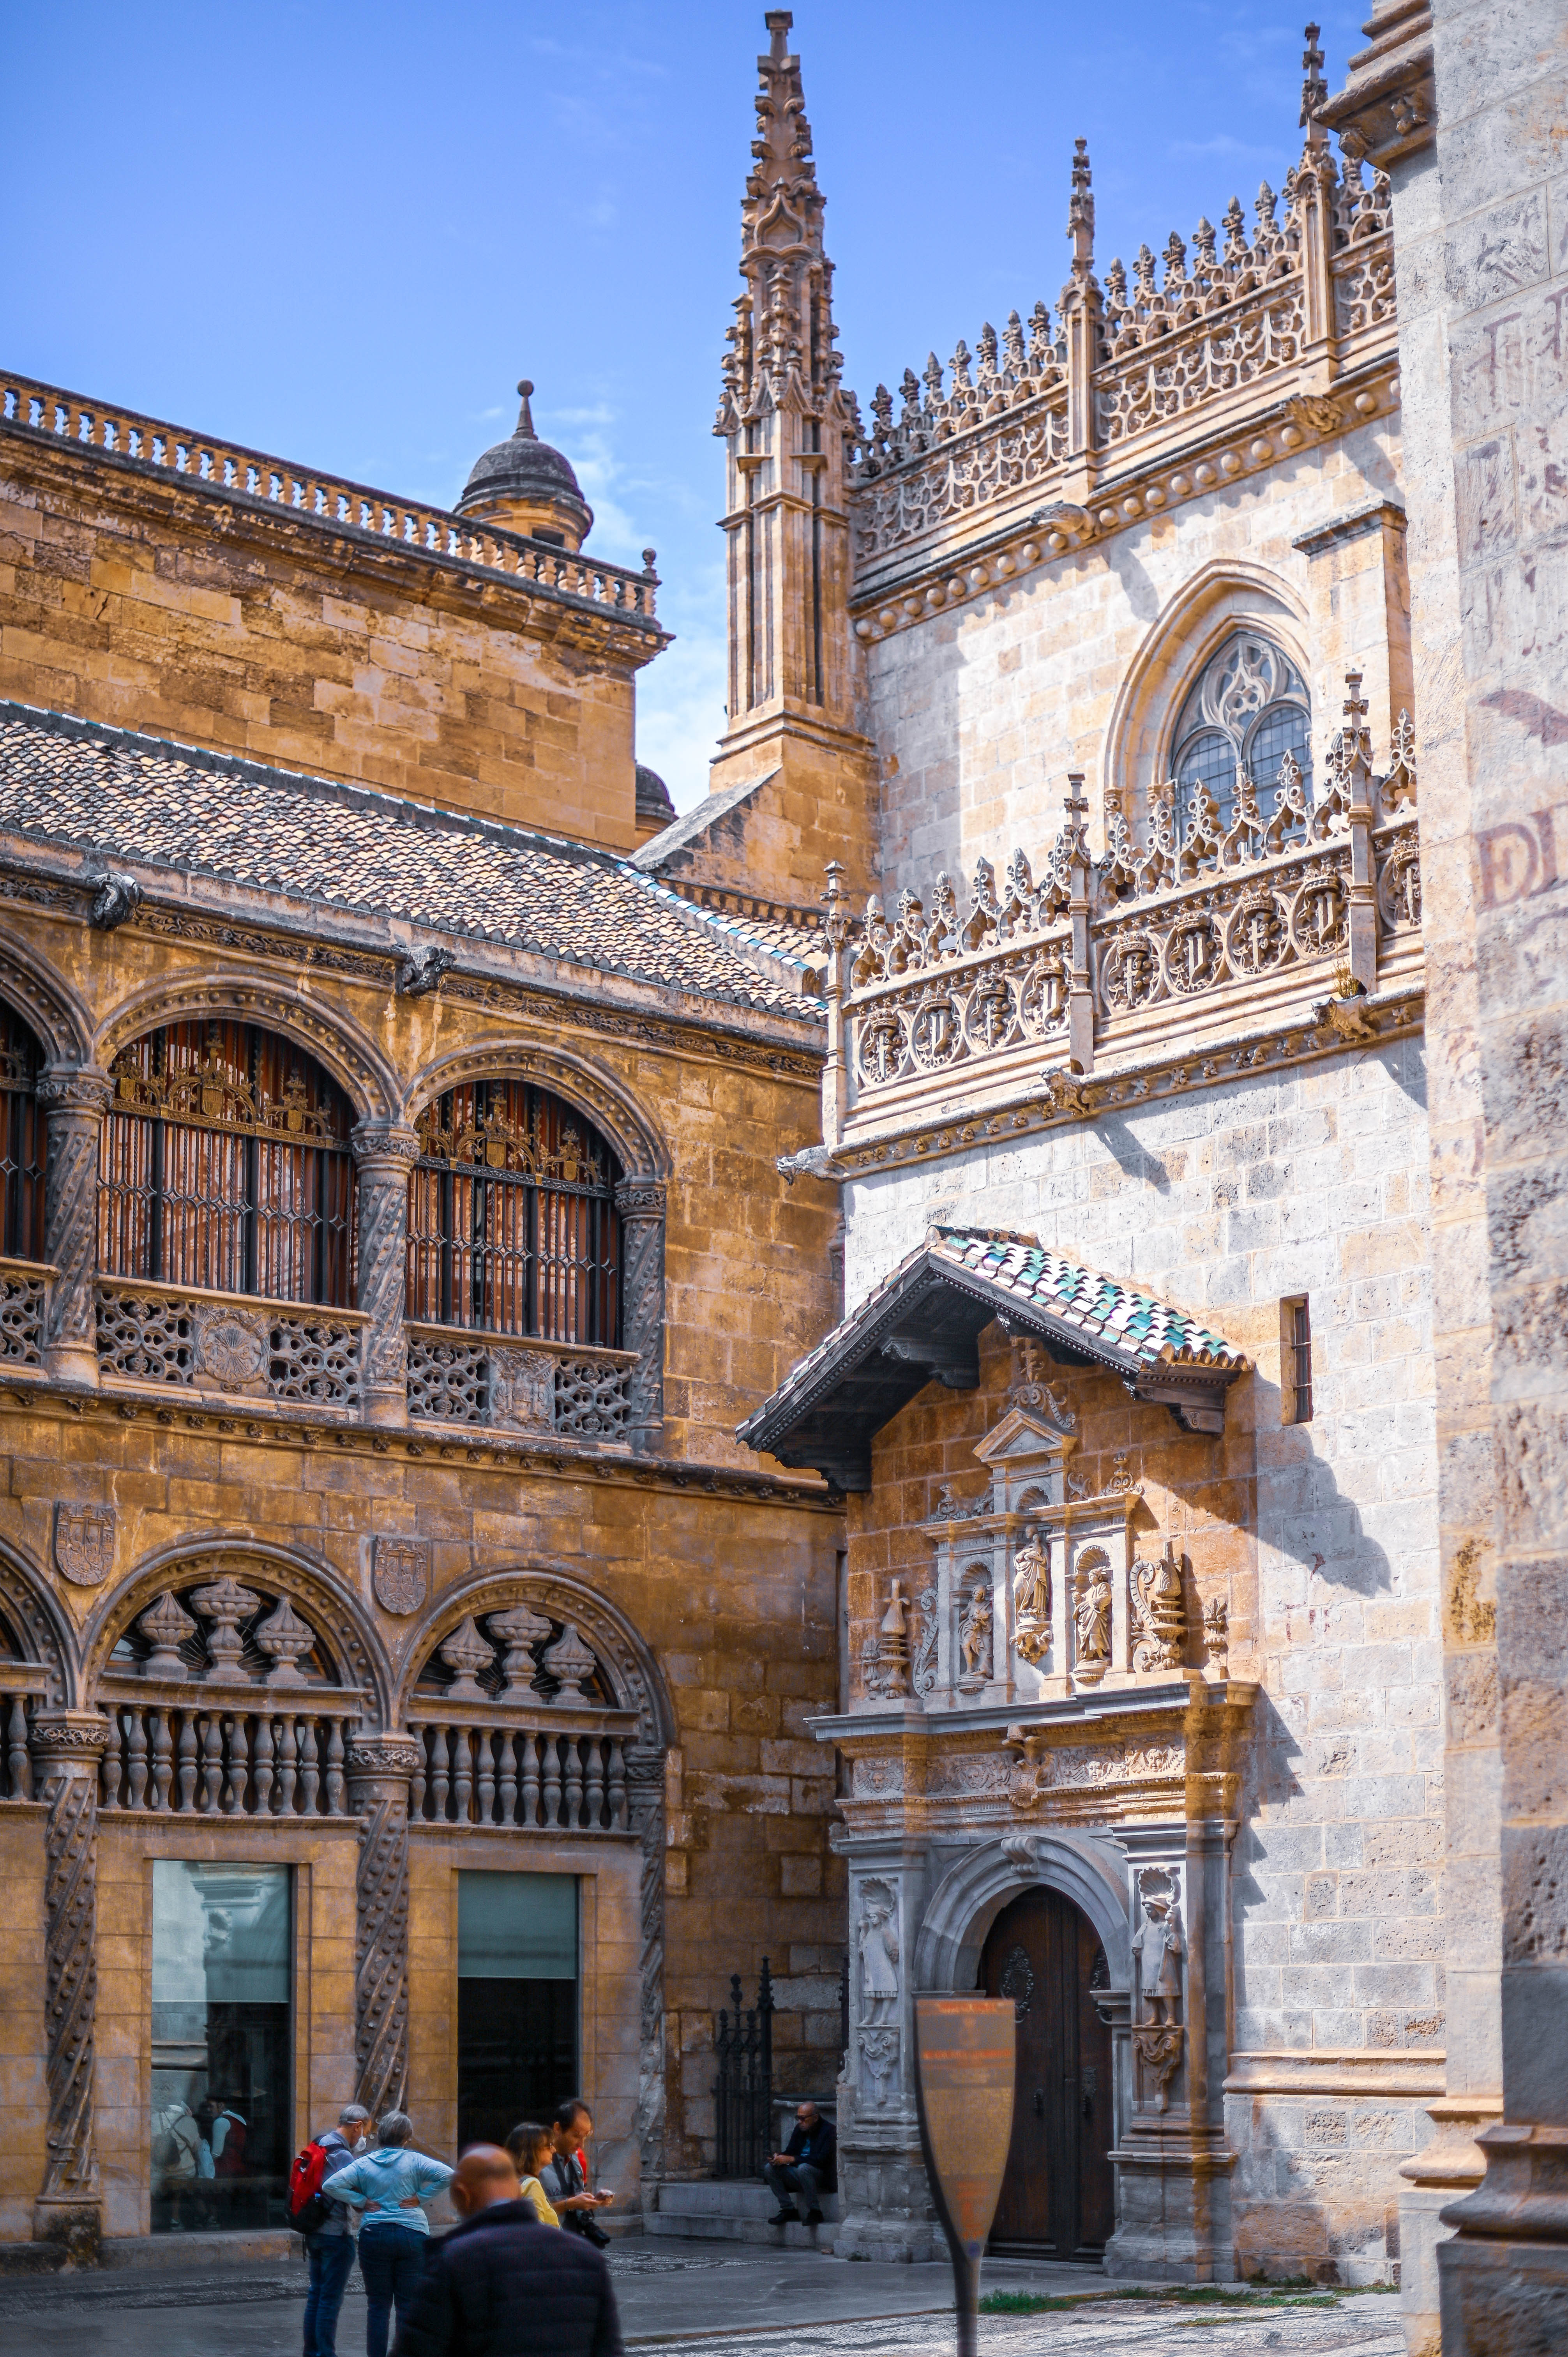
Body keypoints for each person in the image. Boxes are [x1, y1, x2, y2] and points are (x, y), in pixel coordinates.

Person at [390, 2145, 622, 2357]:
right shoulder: (587, 2257)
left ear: (462, 2195)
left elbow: (417, 2349)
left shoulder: (452, 2262)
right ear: (518, 2191)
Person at [322, 2110, 454, 2357]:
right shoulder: (415, 2161)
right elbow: (449, 2175)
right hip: (412, 2235)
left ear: (380, 2135)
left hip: (374, 2234)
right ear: (407, 2138)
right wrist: (421, 2198)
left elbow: (331, 2185)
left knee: (378, 2307)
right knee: (407, 2305)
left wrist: (360, 2201)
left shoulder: (364, 2163)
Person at [302, 2103, 372, 2357]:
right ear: (358, 2127)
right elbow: (353, 2195)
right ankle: (326, 2354)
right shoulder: (342, 2155)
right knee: (330, 2301)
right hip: (335, 2234)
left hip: (314, 2232)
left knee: (316, 2296)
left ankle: (312, 2353)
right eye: (365, 2132)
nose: (363, 2139)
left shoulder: (320, 2142)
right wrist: (365, 2202)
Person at [543, 2101, 612, 2248]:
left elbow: (576, 2194)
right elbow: (533, 2212)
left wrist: (595, 2199)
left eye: (586, 2136)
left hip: (572, 2241)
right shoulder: (538, 2160)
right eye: (576, 2135)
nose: (582, 2144)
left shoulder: (575, 2156)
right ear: (558, 2128)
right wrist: (572, 2204)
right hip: (546, 2243)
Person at [763, 2101, 836, 2228]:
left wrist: (792, 2160)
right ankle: (788, 2209)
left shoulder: (829, 2131)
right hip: (799, 2173)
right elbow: (791, 2152)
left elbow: (821, 2160)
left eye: (803, 2119)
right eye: (798, 2118)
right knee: (770, 2168)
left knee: (804, 2168)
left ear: (815, 2118)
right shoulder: (800, 2129)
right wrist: (779, 2157)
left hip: (819, 2176)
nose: (800, 2122)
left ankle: (815, 2211)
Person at [502, 2124, 560, 2227]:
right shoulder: (532, 2184)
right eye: (550, 2145)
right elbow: (536, 2232)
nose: (554, 2150)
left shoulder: (510, 2183)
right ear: (533, 2150)